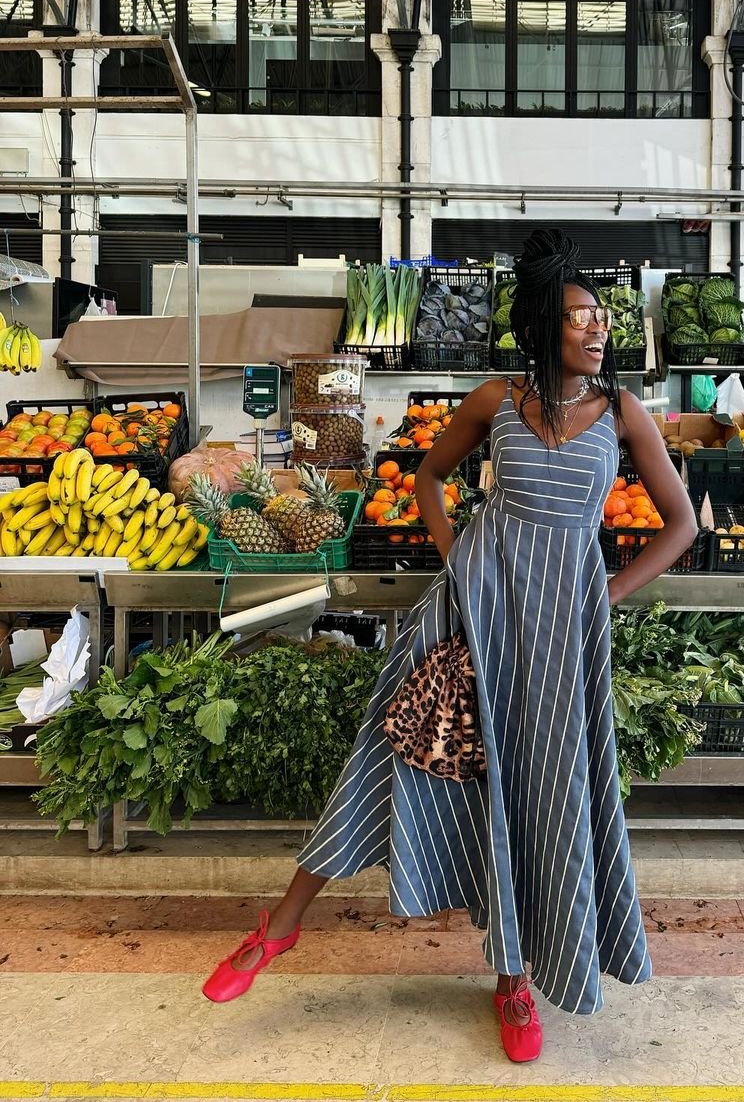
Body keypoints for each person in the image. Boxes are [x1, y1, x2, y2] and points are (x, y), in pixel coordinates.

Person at [202, 229, 698, 1063]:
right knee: (380, 755)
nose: (597, 330)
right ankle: (278, 926)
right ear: (543, 327)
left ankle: (513, 980)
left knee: (539, 793)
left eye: (602, 318)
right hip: (466, 612)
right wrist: (452, 553)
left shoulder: (623, 412)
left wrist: (600, 596)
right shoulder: (494, 400)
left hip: (554, 642)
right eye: (579, 318)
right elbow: (429, 479)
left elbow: (680, 525)